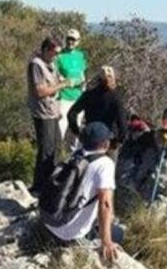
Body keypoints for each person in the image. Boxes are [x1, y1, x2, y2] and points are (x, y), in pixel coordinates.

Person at [43, 122, 121, 261]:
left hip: (50, 219)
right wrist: (106, 241)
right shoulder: (105, 164)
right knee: (119, 233)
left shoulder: (74, 155)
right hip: (69, 232)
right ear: (105, 144)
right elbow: (105, 203)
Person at [27, 36, 68, 196]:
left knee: (56, 148)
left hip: (53, 111)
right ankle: (40, 186)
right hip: (43, 112)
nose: (56, 56)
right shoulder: (36, 65)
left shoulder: (51, 64)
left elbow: (54, 83)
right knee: (46, 149)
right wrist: (62, 85)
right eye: (54, 52)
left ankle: (47, 183)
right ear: (45, 50)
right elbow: (41, 91)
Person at [68, 66, 128, 151]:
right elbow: (122, 123)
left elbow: (72, 114)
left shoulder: (88, 95)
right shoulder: (115, 98)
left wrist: (77, 132)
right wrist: (118, 141)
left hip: (90, 137)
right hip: (107, 141)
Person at [55, 28, 87, 149]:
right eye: (68, 39)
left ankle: (73, 159)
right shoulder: (59, 56)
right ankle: (55, 159)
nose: (70, 42)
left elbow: (82, 74)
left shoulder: (80, 56)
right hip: (64, 97)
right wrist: (66, 82)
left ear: (78, 41)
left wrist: (84, 89)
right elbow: (56, 75)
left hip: (78, 97)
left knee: (76, 129)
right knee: (60, 129)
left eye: (73, 40)